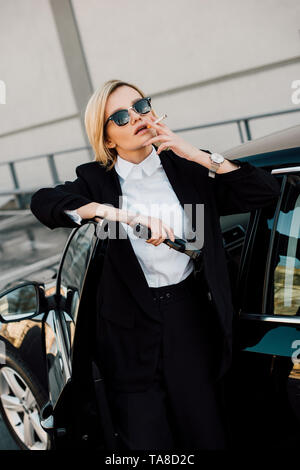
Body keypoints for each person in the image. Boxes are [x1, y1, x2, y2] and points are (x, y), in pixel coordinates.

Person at [30, 79, 281, 450]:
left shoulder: (187, 171)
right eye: (120, 115)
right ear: (108, 138)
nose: (136, 117)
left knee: (206, 431)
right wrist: (114, 214)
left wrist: (197, 154)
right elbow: (44, 202)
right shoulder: (96, 180)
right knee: (148, 442)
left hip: (189, 318)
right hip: (127, 329)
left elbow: (264, 192)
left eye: (141, 106)